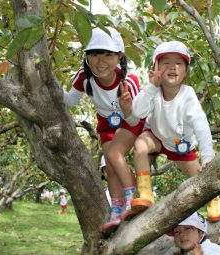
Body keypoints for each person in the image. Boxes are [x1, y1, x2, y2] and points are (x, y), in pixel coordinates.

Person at [63, 26, 144, 235]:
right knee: (109, 166)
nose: (100, 61)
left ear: (119, 57)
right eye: (94, 54)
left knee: (113, 154)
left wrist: (127, 108)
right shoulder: (85, 77)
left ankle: (134, 197)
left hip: (130, 121)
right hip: (107, 124)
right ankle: (117, 209)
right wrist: (49, 81)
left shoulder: (129, 80)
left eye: (108, 54)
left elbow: (138, 116)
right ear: (87, 58)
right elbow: (69, 101)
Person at [120, 41, 215, 213]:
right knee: (140, 145)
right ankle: (145, 193)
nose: (173, 67)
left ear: (186, 71)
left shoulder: (188, 95)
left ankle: (213, 201)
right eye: (165, 63)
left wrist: (207, 156)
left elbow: (201, 125)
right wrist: (151, 87)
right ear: (155, 69)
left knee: (202, 181)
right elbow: (138, 111)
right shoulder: (153, 91)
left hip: (181, 145)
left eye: (179, 63)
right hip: (157, 137)